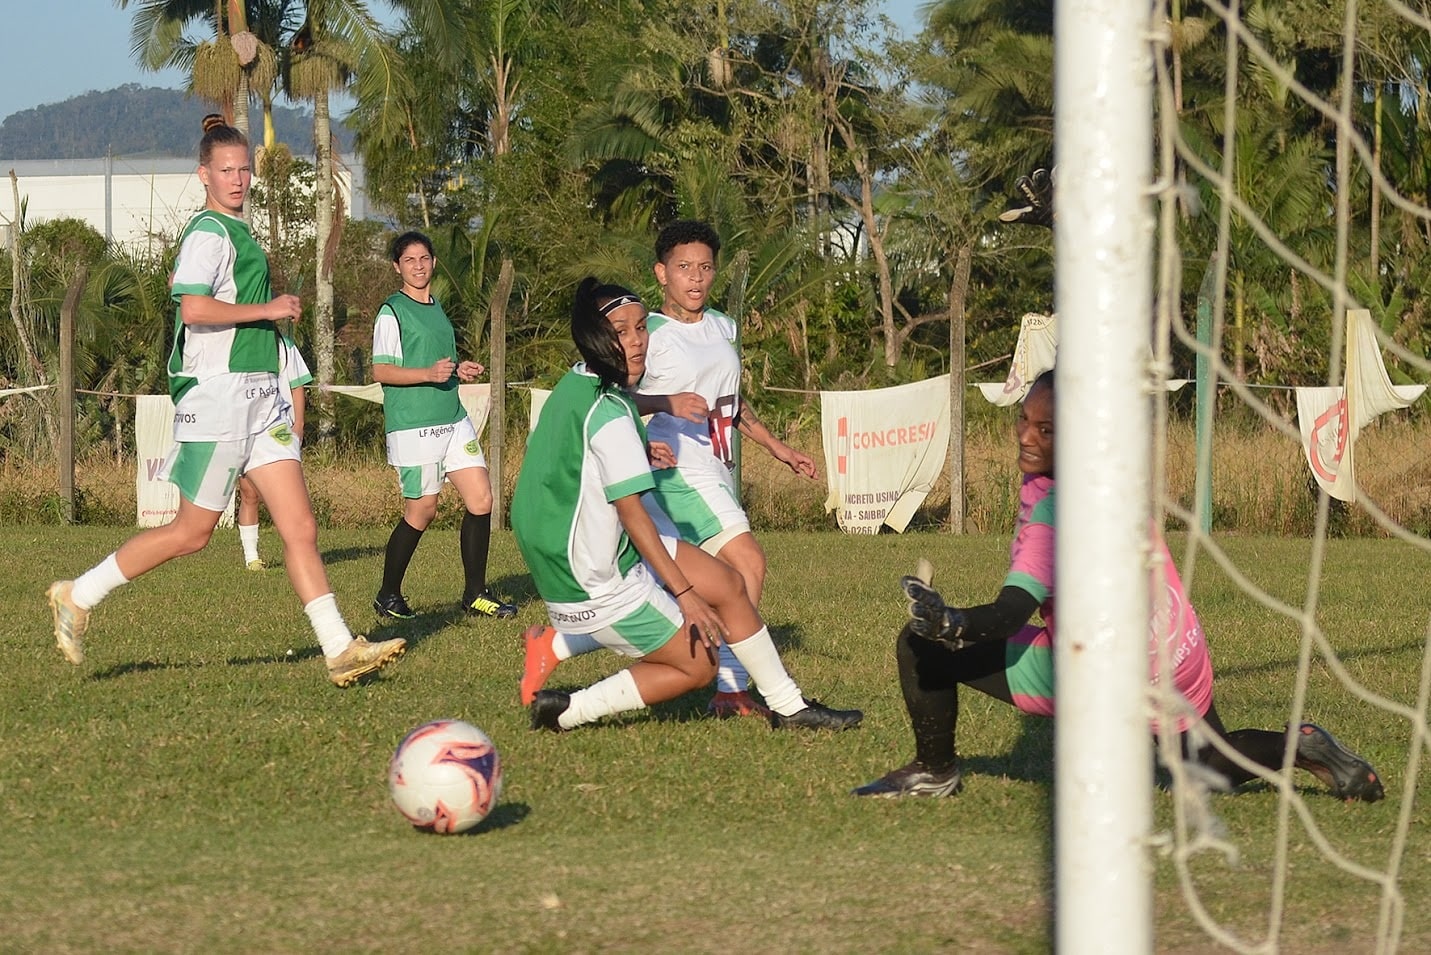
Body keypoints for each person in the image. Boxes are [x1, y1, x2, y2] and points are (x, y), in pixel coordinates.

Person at [853, 369, 1384, 801]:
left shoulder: (1053, 521)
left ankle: (934, 770)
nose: (1025, 435)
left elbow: (1013, 610)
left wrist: (955, 623)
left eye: (1047, 430)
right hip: (1177, 647)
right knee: (1205, 760)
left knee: (921, 646)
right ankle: (1300, 747)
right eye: (1024, 420)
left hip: (1120, 678)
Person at [45, 114, 405, 688]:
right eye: (226, 170)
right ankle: (78, 594)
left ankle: (339, 648)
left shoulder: (240, 232)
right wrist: (267, 310)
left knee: (301, 528)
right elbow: (193, 309)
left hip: (263, 398)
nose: (237, 178)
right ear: (204, 175)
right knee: (192, 534)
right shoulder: (208, 233)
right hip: (218, 399)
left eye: (244, 169)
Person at [511, 277, 861, 733]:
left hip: (575, 553)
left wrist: (640, 447)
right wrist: (685, 594)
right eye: (621, 331)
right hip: (595, 573)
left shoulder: (580, 382)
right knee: (701, 665)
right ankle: (569, 711)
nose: (637, 342)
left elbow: (573, 456)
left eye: (640, 328)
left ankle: (790, 708)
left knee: (731, 583)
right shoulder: (611, 412)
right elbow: (633, 514)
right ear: (596, 337)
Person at [370, 231, 516, 621]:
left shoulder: (437, 309)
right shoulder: (392, 311)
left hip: (452, 418)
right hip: (413, 424)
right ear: (396, 267)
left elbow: (438, 368)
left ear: (433, 263)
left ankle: (475, 593)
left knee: (482, 499)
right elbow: (381, 369)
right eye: (409, 260)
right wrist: (427, 373)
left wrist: (456, 371)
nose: (418, 266)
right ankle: (387, 595)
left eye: (424, 258)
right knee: (422, 511)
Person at [236, 330, 310, 570]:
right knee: (249, 493)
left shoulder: (283, 346)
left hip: (279, 433)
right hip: (245, 430)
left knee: (288, 497)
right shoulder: (235, 344)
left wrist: (298, 424)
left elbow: (297, 385)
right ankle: (251, 557)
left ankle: (297, 551)